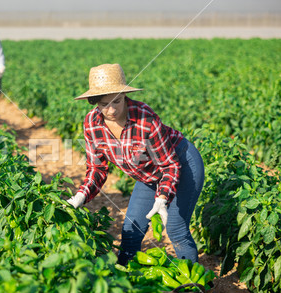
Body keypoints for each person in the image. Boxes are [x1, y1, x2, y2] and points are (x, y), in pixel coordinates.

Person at [67, 64, 204, 266]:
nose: (112, 110)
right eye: (104, 104)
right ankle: (126, 280)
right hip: (148, 175)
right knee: (131, 229)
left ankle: (195, 285)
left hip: (182, 163)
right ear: (94, 102)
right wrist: (80, 196)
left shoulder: (144, 118)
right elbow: (97, 168)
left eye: (117, 101)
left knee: (176, 228)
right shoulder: (91, 124)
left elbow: (170, 165)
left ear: (125, 95)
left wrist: (162, 197)